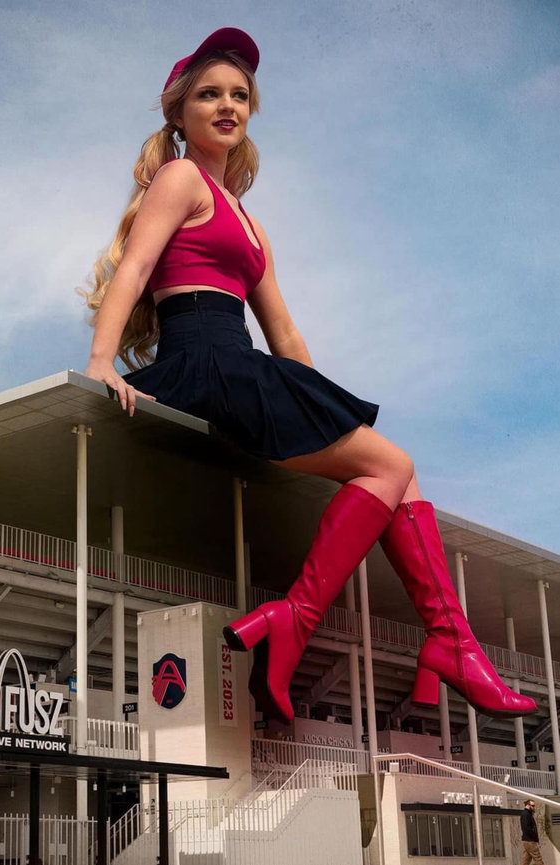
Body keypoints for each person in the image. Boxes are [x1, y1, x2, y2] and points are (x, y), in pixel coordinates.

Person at [82, 28, 537, 725]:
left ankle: (445, 640)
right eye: (209, 95)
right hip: (205, 360)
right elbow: (135, 267)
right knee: (393, 465)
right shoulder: (179, 179)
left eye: (239, 96)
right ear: (179, 113)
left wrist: (317, 414)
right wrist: (100, 361)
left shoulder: (248, 221)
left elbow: (285, 333)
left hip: (242, 361)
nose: (227, 106)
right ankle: (329, 623)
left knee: (395, 473)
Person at [520, 800, 544, 865]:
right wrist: (534, 837)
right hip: (530, 840)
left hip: (528, 840)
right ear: (528, 805)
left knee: (526, 859)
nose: (534, 807)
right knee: (538, 858)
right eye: (532, 806)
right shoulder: (526, 814)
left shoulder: (528, 814)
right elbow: (526, 828)